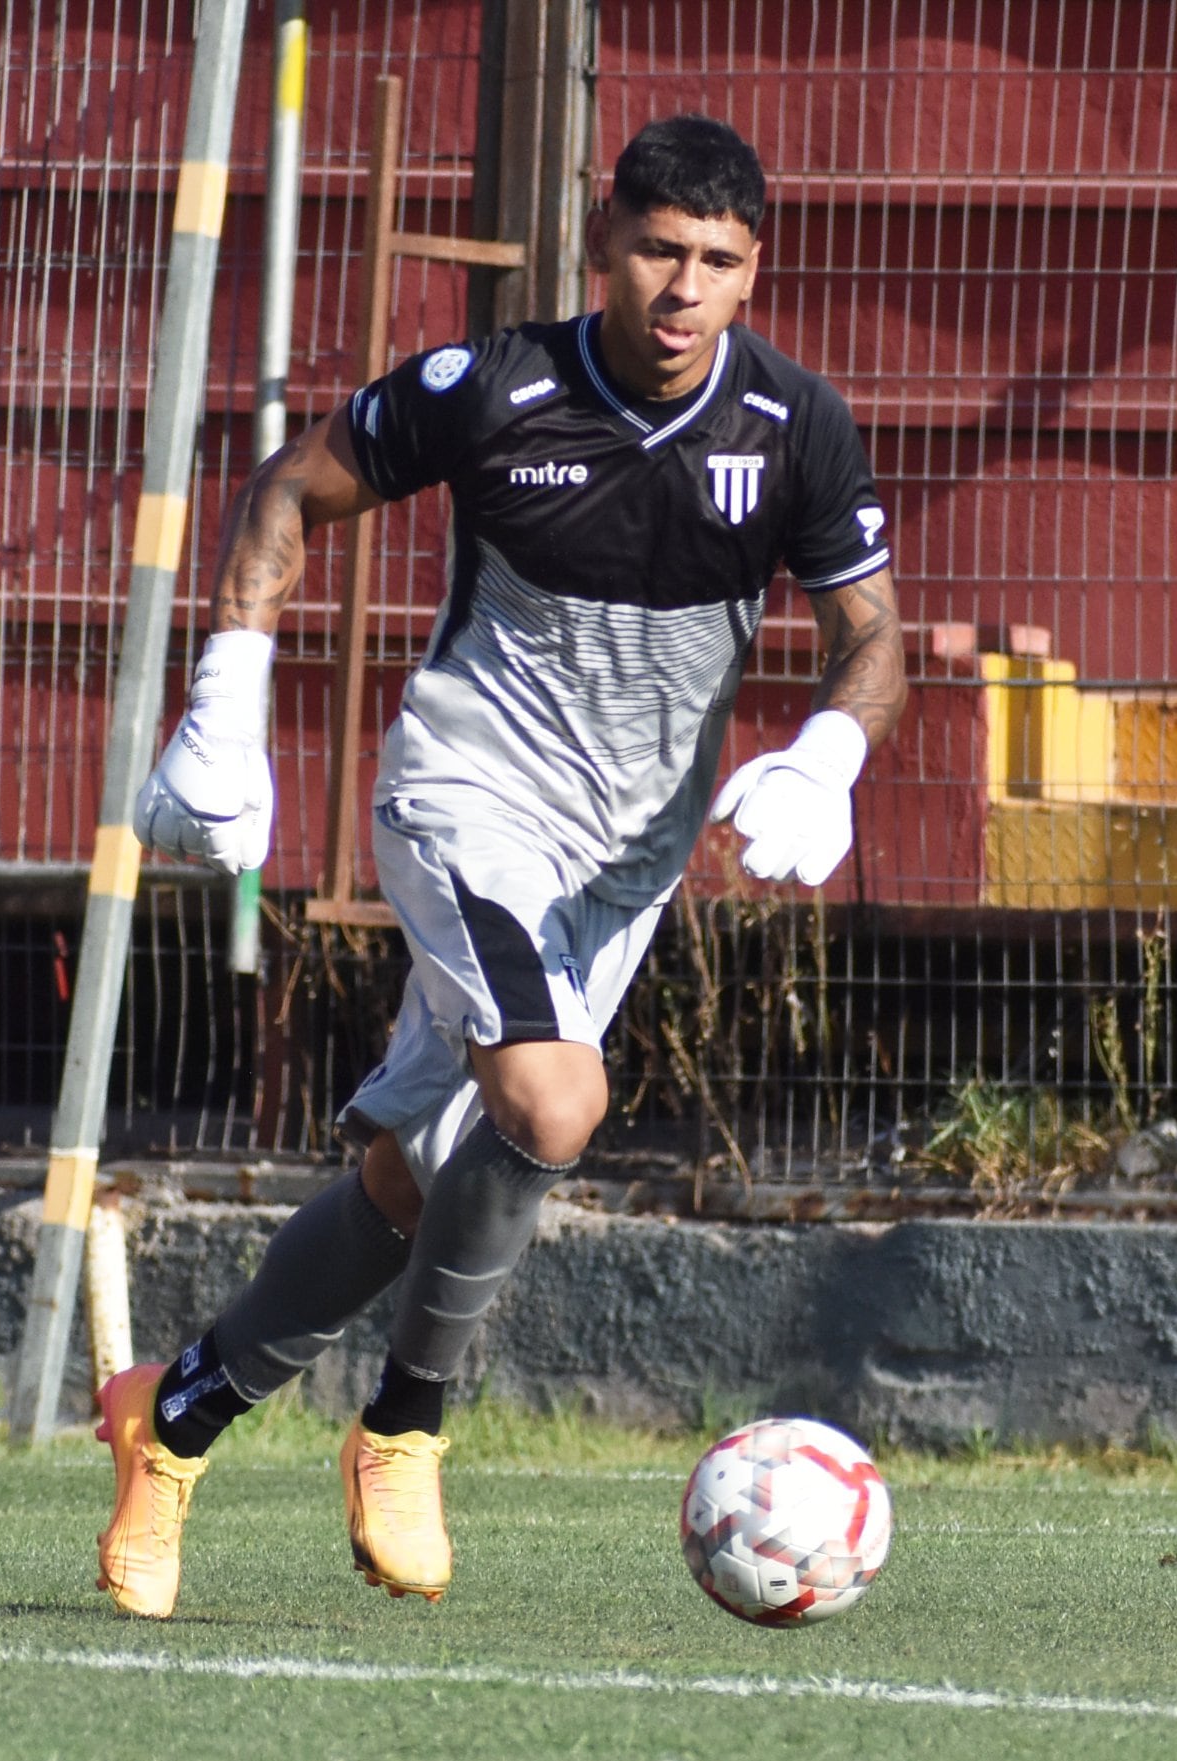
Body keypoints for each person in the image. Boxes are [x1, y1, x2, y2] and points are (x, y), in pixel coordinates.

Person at [92, 114, 906, 1618]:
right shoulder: (497, 387)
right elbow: (288, 490)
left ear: (751, 273)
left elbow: (872, 639)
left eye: (718, 262)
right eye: (660, 249)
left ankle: (178, 1415)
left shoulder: (796, 425)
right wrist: (224, 702)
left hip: (624, 867)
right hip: (470, 801)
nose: (683, 287)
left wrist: (828, 756)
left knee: (414, 1180)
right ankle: (406, 1424)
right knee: (555, 1099)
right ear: (606, 245)